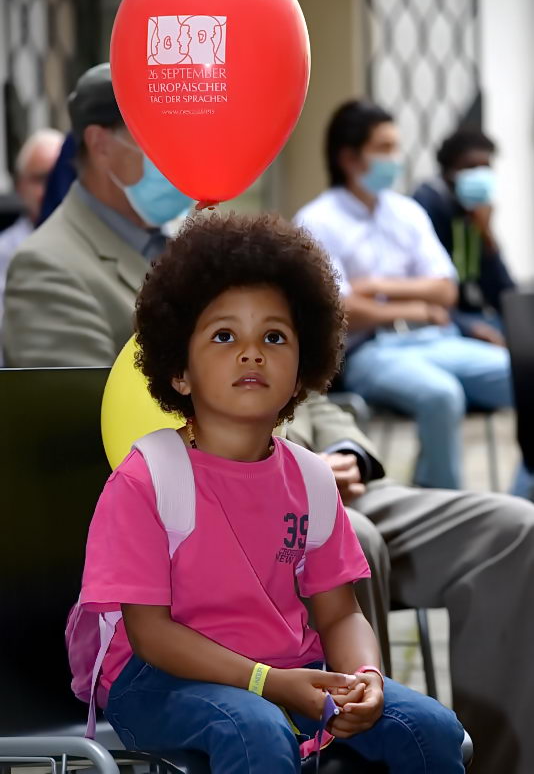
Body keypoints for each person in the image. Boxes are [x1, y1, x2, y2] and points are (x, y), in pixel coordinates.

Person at [80, 214, 464, 773]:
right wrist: (269, 683)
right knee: (254, 728)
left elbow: (340, 614)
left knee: (431, 728)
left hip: (288, 668)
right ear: (179, 371)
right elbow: (151, 635)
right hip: (160, 679)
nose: (252, 352)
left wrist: (366, 679)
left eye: (275, 337)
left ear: (302, 370)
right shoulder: (147, 479)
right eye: (224, 336)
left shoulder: (311, 478)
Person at [289, 392, 534, 774]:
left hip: (345, 489)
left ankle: (492, 765)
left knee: (515, 530)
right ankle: (377, 741)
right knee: (356, 539)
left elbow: (314, 402)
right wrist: (292, 473)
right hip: (254, 500)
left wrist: (348, 453)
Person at [294, 99, 513, 490]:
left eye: (396, 146)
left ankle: (523, 495)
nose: (395, 158)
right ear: (349, 157)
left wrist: (376, 288)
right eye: (384, 148)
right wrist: (418, 307)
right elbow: (341, 308)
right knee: (442, 396)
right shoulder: (317, 221)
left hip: (435, 339)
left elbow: (445, 289)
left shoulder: (407, 212)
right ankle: (440, 508)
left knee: (523, 375)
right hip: (370, 352)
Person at [2, 63, 190, 368]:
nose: (179, 154)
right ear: (100, 144)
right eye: (156, 136)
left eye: (184, 136)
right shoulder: (48, 268)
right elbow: (79, 396)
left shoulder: (183, 239)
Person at [413, 128, 515, 345]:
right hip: (441, 321)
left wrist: (486, 233)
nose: (480, 175)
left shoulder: (473, 210)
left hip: (478, 316)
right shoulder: (427, 205)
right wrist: (468, 327)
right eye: (471, 167)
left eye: (485, 167)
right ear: (449, 170)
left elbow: (504, 292)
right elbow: (425, 287)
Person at [0, 128, 63, 363]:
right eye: (40, 178)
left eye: (58, 177)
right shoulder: (4, 253)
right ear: (19, 185)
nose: (51, 189)